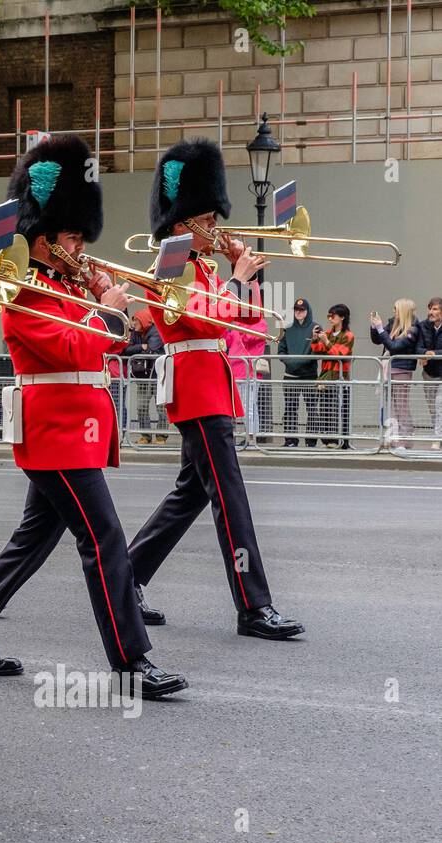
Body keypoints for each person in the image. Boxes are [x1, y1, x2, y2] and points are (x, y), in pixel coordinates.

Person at [0, 135, 187, 696]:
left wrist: (110, 302)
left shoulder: (64, 285)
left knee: (34, 537)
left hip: (75, 427)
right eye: (72, 234)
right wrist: (109, 312)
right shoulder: (24, 291)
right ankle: (130, 659)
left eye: (80, 233)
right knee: (103, 538)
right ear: (44, 237)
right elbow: (72, 349)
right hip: (54, 430)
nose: (80, 244)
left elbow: (114, 344)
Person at [127, 138, 304, 640]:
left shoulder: (202, 264)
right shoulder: (170, 264)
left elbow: (244, 321)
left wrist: (242, 278)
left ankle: (128, 577)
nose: (216, 226)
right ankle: (253, 605)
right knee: (230, 498)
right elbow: (198, 320)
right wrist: (234, 282)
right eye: (207, 216)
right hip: (196, 389)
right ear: (182, 221)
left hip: (212, 387)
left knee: (190, 495)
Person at [370, 299, 420, 447]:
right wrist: (374, 327)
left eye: (396, 309)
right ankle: (394, 436)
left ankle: (406, 439)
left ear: (403, 311)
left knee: (401, 405)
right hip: (389, 368)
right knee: (392, 405)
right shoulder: (393, 323)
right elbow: (378, 340)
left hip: (402, 369)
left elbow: (394, 346)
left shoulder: (413, 329)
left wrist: (380, 329)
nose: (393, 311)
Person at [223, 290, 270, 443]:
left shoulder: (260, 323)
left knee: (249, 407)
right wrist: (222, 328)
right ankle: (242, 436)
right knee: (239, 407)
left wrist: (238, 324)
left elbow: (249, 338)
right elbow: (229, 341)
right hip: (236, 370)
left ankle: (251, 438)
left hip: (249, 371)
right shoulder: (239, 323)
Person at [278, 297, 320, 447]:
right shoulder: (287, 329)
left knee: (312, 409)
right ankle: (290, 440)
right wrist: (291, 362)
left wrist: (302, 361)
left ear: (307, 311)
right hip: (290, 375)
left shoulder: (315, 328)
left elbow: (318, 351)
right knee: (290, 408)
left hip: (309, 375)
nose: (298, 312)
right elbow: (281, 351)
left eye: (301, 310)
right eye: (296, 310)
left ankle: (311, 441)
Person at [312, 303, 354, 449]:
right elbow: (317, 350)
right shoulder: (328, 333)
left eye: (333, 315)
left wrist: (326, 342)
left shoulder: (348, 335)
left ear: (342, 317)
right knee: (325, 409)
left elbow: (340, 354)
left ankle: (341, 440)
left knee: (338, 409)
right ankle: (328, 440)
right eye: (328, 315)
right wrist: (315, 338)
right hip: (325, 375)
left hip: (339, 377)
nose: (330, 318)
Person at [123, 306, 165, 444]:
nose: (134, 324)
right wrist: (141, 347)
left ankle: (161, 436)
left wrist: (140, 351)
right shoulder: (136, 332)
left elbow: (151, 350)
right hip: (142, 376)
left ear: (144, 321)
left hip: (158, 377)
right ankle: (146, 436)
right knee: (141, 407)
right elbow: (126, 350)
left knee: (161, 408)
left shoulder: (156, 332)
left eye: (137, 321)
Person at [419, 297, 442, 448]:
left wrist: (434, 353)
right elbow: (417, 346)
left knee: (440, 405)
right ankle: (438, 434)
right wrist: (423, 352)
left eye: (434, 309)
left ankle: (438, 438)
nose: (431, 312)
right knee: (432, 407)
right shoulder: (423, 326)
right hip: (428, 373)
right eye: (430, 309)